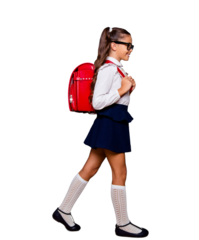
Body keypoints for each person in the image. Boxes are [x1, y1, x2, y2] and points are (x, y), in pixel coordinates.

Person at [51, 24, 150, 239]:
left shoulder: (117, 68)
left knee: (91, 168)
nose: (131, 49)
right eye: (128, 45)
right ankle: (122, 223)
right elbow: (98, 102)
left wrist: (127, 90)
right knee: (120, 171)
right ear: (114, 45)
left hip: (113, 122)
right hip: (111, 123)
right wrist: (122, 90)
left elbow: (116, 97)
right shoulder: (107, 69)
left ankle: (63, 210)